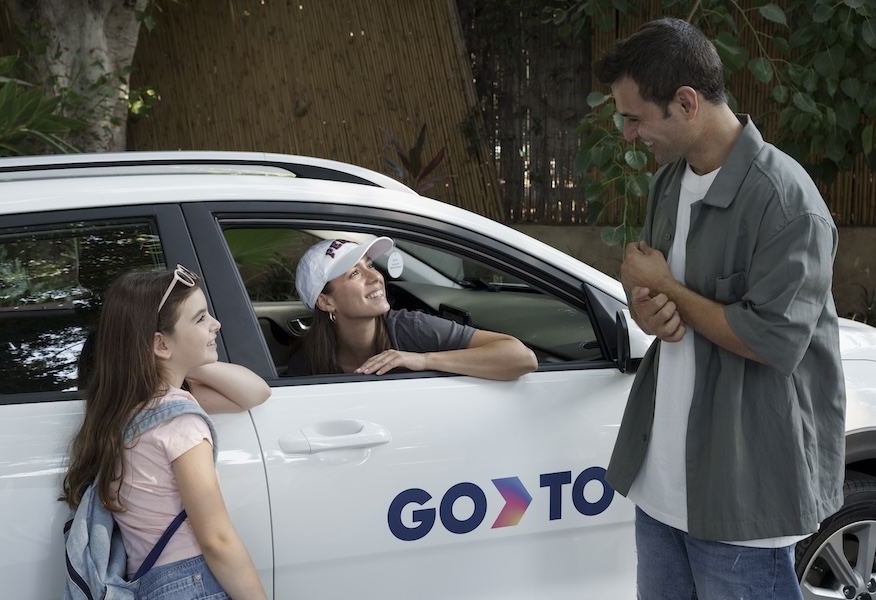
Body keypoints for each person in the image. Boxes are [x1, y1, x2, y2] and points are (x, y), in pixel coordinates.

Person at [596, 17, 846, 600]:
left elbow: (772, 342)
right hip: (660, 488)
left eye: (634, 117)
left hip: (741, 495)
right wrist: (646, 309)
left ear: (685, 103)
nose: (628, 135)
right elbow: (657, 300)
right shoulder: (668, 182)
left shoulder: (787, 203)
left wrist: (672, 291)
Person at [62, 264, 270, 599]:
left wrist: (184, 357)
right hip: (193, 582)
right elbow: (217, 540)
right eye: (200, 318)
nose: (215, 324)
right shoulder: (178, 421)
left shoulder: (128, 409)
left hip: (151, 583)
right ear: (160, 343)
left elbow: (255, 392)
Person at [286, 237, 538, 379]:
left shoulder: (409, 328)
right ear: (326, 302)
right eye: (354, 274)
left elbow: (521, 357)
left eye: (371, 266)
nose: (375, 277)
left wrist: (422, 360)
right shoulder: (307, 364)